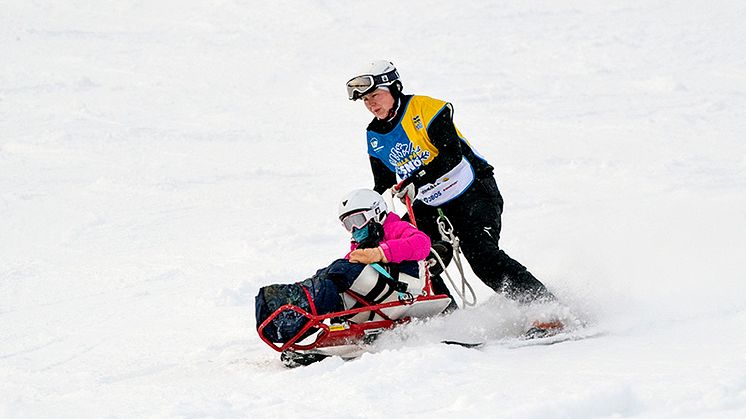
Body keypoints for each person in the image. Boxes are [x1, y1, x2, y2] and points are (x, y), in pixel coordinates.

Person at [345, 60, 557, 311]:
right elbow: (383, 183)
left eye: (375, 95)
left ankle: (546, 308)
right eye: (366, 100)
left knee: (481, 256)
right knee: (414, 259)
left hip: (472, 191)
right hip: (429, 205)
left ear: (394, 88)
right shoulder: (375, 135)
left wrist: (416, 179)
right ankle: (448, 321)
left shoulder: (427, 109)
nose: (371, 104)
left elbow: (450, 156)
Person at [339, 188, 457, 311]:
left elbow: (421, 243)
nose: (354, 228)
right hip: (379, 297)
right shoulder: (357, 248)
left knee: (425, 269)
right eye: (348, 224)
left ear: (375, 212)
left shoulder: (395, 229)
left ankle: (451, 312)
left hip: (406, 286)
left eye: (358, 220)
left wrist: (381, 252)